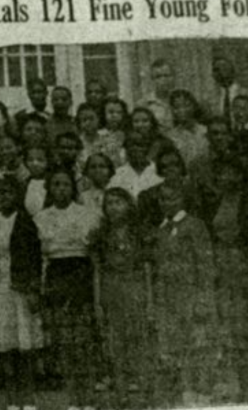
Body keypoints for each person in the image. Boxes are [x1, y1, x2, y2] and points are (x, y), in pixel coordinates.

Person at [33, 168, 102, 407]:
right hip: (56, 275)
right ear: (49, 189)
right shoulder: (41, 217)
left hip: (80, 274)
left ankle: (89, 395)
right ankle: (72, 396)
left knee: (83, 337)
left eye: (65, 184)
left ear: (73, 188)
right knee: (63, 338)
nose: (61, 189)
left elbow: (91, 251)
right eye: (56, 184)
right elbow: (43, 254)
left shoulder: (87, 214)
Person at [151, 182, 220, 407]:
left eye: (172, 198)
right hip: (170, 297)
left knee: (200, 345)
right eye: (162, 199)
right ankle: (187, 392)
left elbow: (205, 263)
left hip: (193, 294)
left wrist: (203, 298)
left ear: (182, 200)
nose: (167, 203)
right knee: (179, 345)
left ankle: (204, 393)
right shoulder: (162, 229)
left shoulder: (195, 225)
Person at [0, 174, 44, 410]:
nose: (4, 196)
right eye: (1, 192)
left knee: (25, 343)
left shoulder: (26, 221)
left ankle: (28, 397)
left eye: (9, 192)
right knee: (5, 342)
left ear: (17, 195)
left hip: (21, 287)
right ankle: (11, 398)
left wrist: (33, 289)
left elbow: (36, 259)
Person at [89, 188, 155, 409]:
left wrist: (149, 300)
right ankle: (121, 393)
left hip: (135, 288)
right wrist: (98, 302)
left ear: (128, 205)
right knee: (115, 343)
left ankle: (144, 393)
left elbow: (146, 268)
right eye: (109, 203)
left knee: (138, 339)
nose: (113, 207)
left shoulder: (139, 233)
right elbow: (97, 271)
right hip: (111, 290)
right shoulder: (101, 235)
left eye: (118, 202)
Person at [201, 159, 248, 401]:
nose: (226, 178)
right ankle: (237, 383)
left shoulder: (245, 200)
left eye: (231, 173)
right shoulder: (214, 201)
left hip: (242, 263)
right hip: (222, 264)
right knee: (229, 325)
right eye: (222, 173)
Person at [137, 147, 200, 229]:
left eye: (175, 165)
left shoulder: (192, 193)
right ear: (160, 170)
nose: (171, 169)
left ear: (181, 167)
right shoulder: (150, 196)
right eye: (165, 166)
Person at [107, 133, 163, 200]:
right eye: (130, 146)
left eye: (139, 145)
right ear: (126, 150)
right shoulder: (118, 174)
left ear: (147, 148)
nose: (135, 149)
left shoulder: (160, 170)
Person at [167, 89, 209, 167]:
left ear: (194, 106)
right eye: (177, 107)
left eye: (186, 105)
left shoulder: (206, 131)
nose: (182, 110)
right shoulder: (170, 137)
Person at [139, 59, 175, 131]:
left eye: (166, 75)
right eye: (158, 77)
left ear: (173, 77)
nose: (163, 79)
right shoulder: (144, 104)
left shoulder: (180, 100)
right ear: (152, 80)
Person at [211, 56, 245, 122]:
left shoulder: (244, 93)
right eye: (216, 70)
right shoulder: (210, 97)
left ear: (233, 71)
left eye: (224, 68)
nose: (221, 72)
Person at [22, 146, 50, 217]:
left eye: (40, 160)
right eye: (30, 160)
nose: (35, 164)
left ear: (47, 161)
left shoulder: (51, 183)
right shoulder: (24, 183)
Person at [102, 99, 129, 168]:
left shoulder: (127, 135)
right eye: (111, 112)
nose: (115, 115)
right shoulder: (99, 134)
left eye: (119, 112)